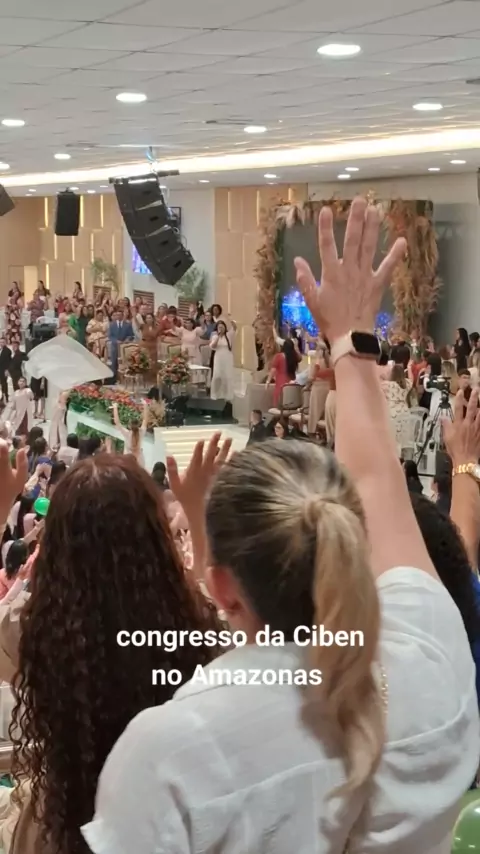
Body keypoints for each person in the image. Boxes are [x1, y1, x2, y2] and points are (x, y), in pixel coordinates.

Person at [85, 198, 480, 854]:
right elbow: (377, 478)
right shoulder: (431, 658)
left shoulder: (172, 752)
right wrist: (351, 341)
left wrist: (349, 342)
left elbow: (371, 483)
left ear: (223, 588)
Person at [0, 444, 221, 854]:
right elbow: (207, 587)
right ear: (156, 538)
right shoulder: (198, 627)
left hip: (60, 827)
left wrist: (1, 507)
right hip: (170, 829)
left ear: (56, 546)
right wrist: (197, 511)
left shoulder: (32, 636)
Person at [381, 363, 412, 447]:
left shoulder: (387, 385)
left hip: (392, 411)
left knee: (392, 438)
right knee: (402, 438)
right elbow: (411, 379)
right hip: (405, 411)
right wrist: (409, 367)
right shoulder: (407, 384)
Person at [112, 400, 149, 467]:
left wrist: (115, 407)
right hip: (140, 459)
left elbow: (117, 422)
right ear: (138, 425)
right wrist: (145, 405)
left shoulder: (127, 434)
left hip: (128, 460)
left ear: (129, 426)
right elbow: (145, 420)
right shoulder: (141, 432)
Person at [266, 339, 301, 406]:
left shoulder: (278, 356)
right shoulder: (294, 357)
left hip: (281, 385)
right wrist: (296, 347)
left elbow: (273, 370)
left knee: (278, 404)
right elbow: (300, 358)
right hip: (291, 384)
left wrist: (268, 381)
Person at [209, 320, 236, 401]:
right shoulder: (214, 336)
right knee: (217, 375)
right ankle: (216, 394)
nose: (221, 328)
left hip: (227, 356)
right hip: (218, 356)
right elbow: (213, 346)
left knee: (227, 375)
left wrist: (232, 321)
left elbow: (234, 328)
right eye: (219, 327)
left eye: (222, 327)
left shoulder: (228, 335)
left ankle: (227, 394)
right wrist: (218, 336)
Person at [107, 309, 134, 377]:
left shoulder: (127, 325)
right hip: (115, 345)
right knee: (114, 361)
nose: (118, 316)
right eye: (117, 315)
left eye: (120, 315)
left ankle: (124, 376)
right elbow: (110, 336)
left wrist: (127, 339)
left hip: (124, 345)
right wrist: (116, 341)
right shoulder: (112, 325)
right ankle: (114, 376)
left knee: (125, 361)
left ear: (122, 316)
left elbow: (131, 335)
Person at [0, 338, 11, 403]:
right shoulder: (0, 350)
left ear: (5, 343)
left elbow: (8, 362)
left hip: (3, 370)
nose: (1, 343)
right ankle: (2, 396)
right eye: (0, 342)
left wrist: (7, 370)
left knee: (4, 383)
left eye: (3, 342)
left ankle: (5, 397)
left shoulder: (7, 351)